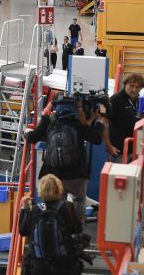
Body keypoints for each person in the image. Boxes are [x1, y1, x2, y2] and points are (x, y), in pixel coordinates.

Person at [25, 96, 104, 224]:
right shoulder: (78, 123)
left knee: (56, 203)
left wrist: (26, 132)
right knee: (79, 200)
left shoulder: (48, 121)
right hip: (77, 173)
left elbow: (32, 138)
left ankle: (58, 229)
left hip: (54, 174)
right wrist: (99, 120)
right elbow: (97, 138)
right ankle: (78, 232)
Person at [19, 174, 83, 275]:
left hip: (39, 265)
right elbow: (78, 229)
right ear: (59, 189)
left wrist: (24, 208)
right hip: (62, 264)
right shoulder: (67, 207)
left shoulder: (35, 210)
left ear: (40, 190)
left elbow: (23, 231)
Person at [105, 73, 144, 163]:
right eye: (131, 86)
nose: (134, 90)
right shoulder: (116, 99)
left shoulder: (138, 100)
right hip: (119, 152)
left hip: (134, 151)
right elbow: (104, 122)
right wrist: (108, 145)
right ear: (125, 84)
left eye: (137, 87)